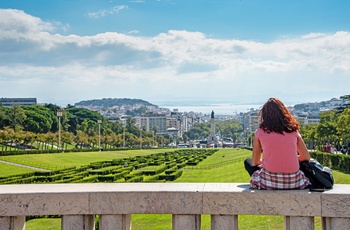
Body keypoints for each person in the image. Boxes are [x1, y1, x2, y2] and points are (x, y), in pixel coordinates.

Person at [244, 98, 311, 190]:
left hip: (268, 183)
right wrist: (291, 159)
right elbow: (306, 157)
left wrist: (268, 161)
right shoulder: (293, 131)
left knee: (248, 162)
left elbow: (255, 162)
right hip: (294, 182)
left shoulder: (260, 132)